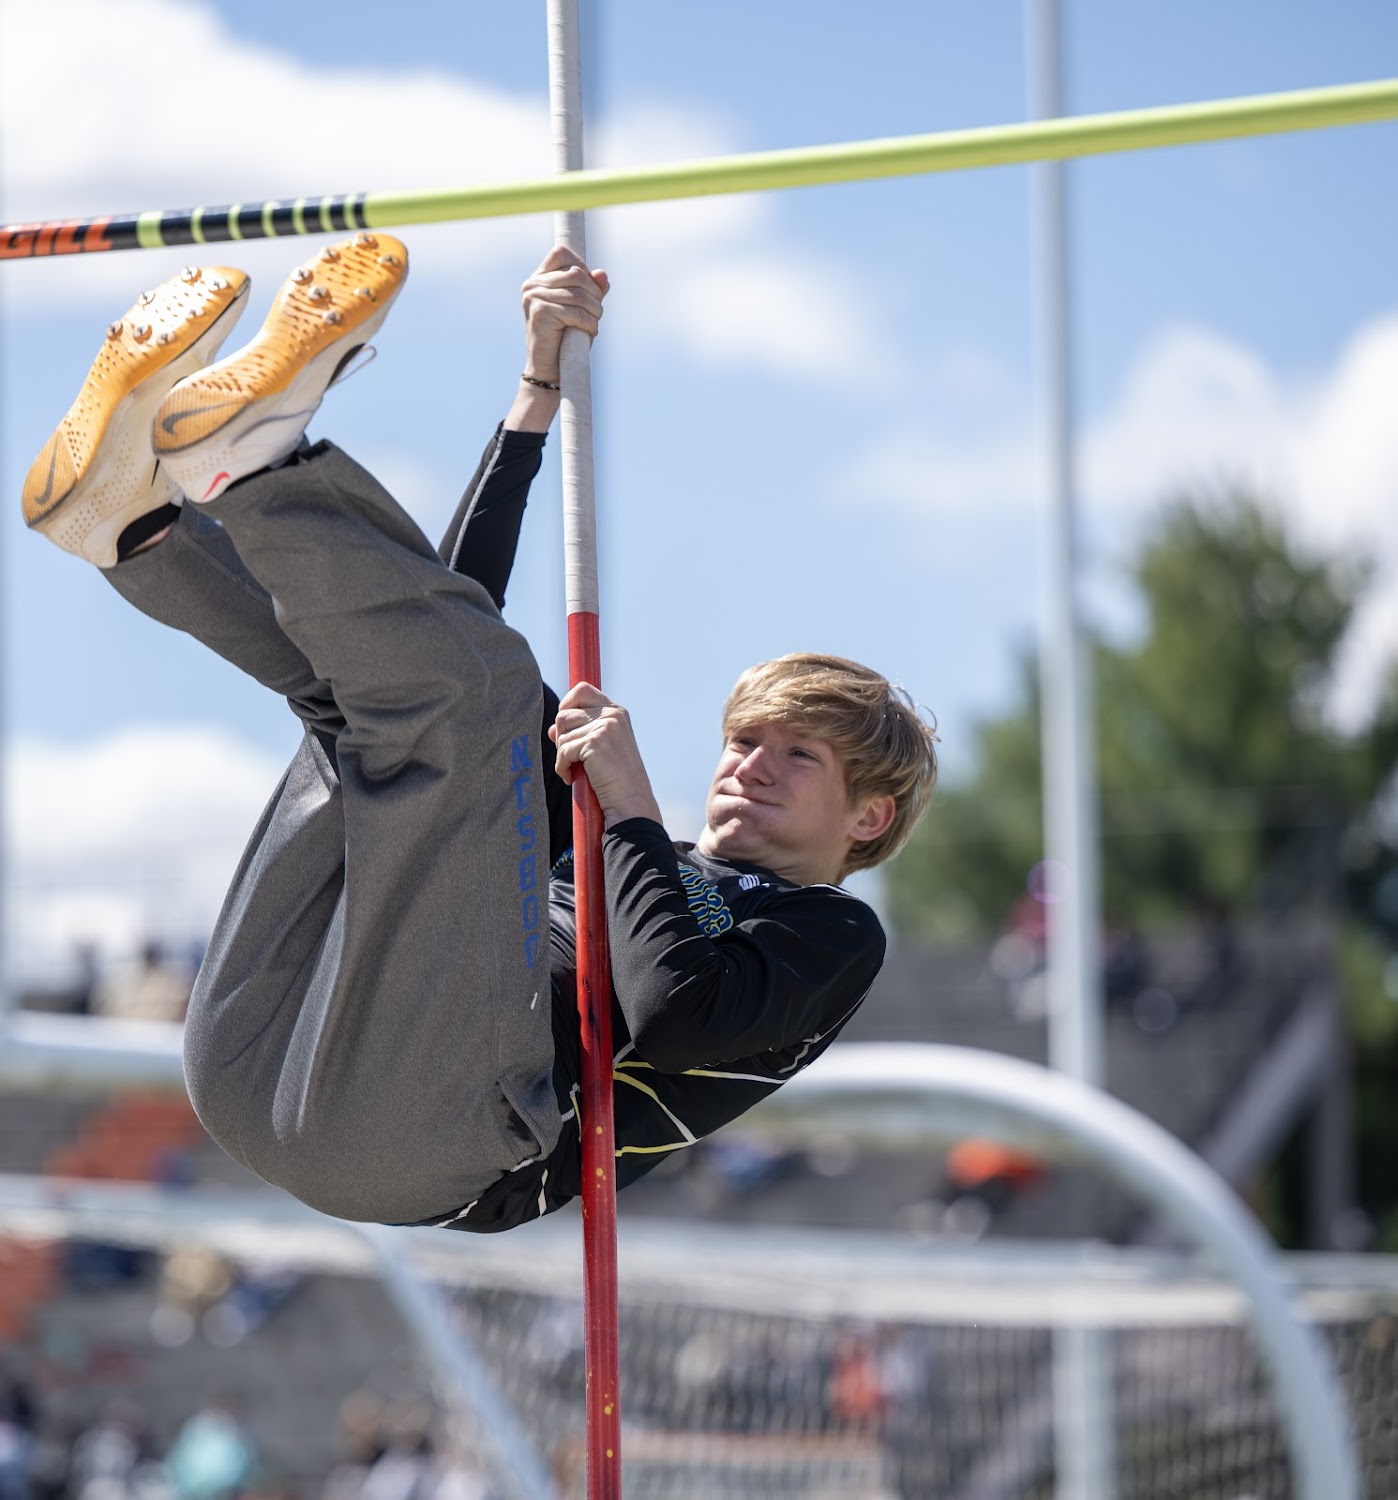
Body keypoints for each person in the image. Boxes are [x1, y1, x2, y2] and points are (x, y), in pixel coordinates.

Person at [22, 233, 939, 1233]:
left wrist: (630, 809)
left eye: (798, 755)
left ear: (869, 815)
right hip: (260, 1055)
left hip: (431, 1143)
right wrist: (535, 394)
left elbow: (677, 1014)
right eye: (744, 740)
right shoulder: (607, 835)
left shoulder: (829, 933)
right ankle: (137, 530)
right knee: (377, 695)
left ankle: (253, 469)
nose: (750, 766)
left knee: (463, 693)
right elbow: (445, 617)